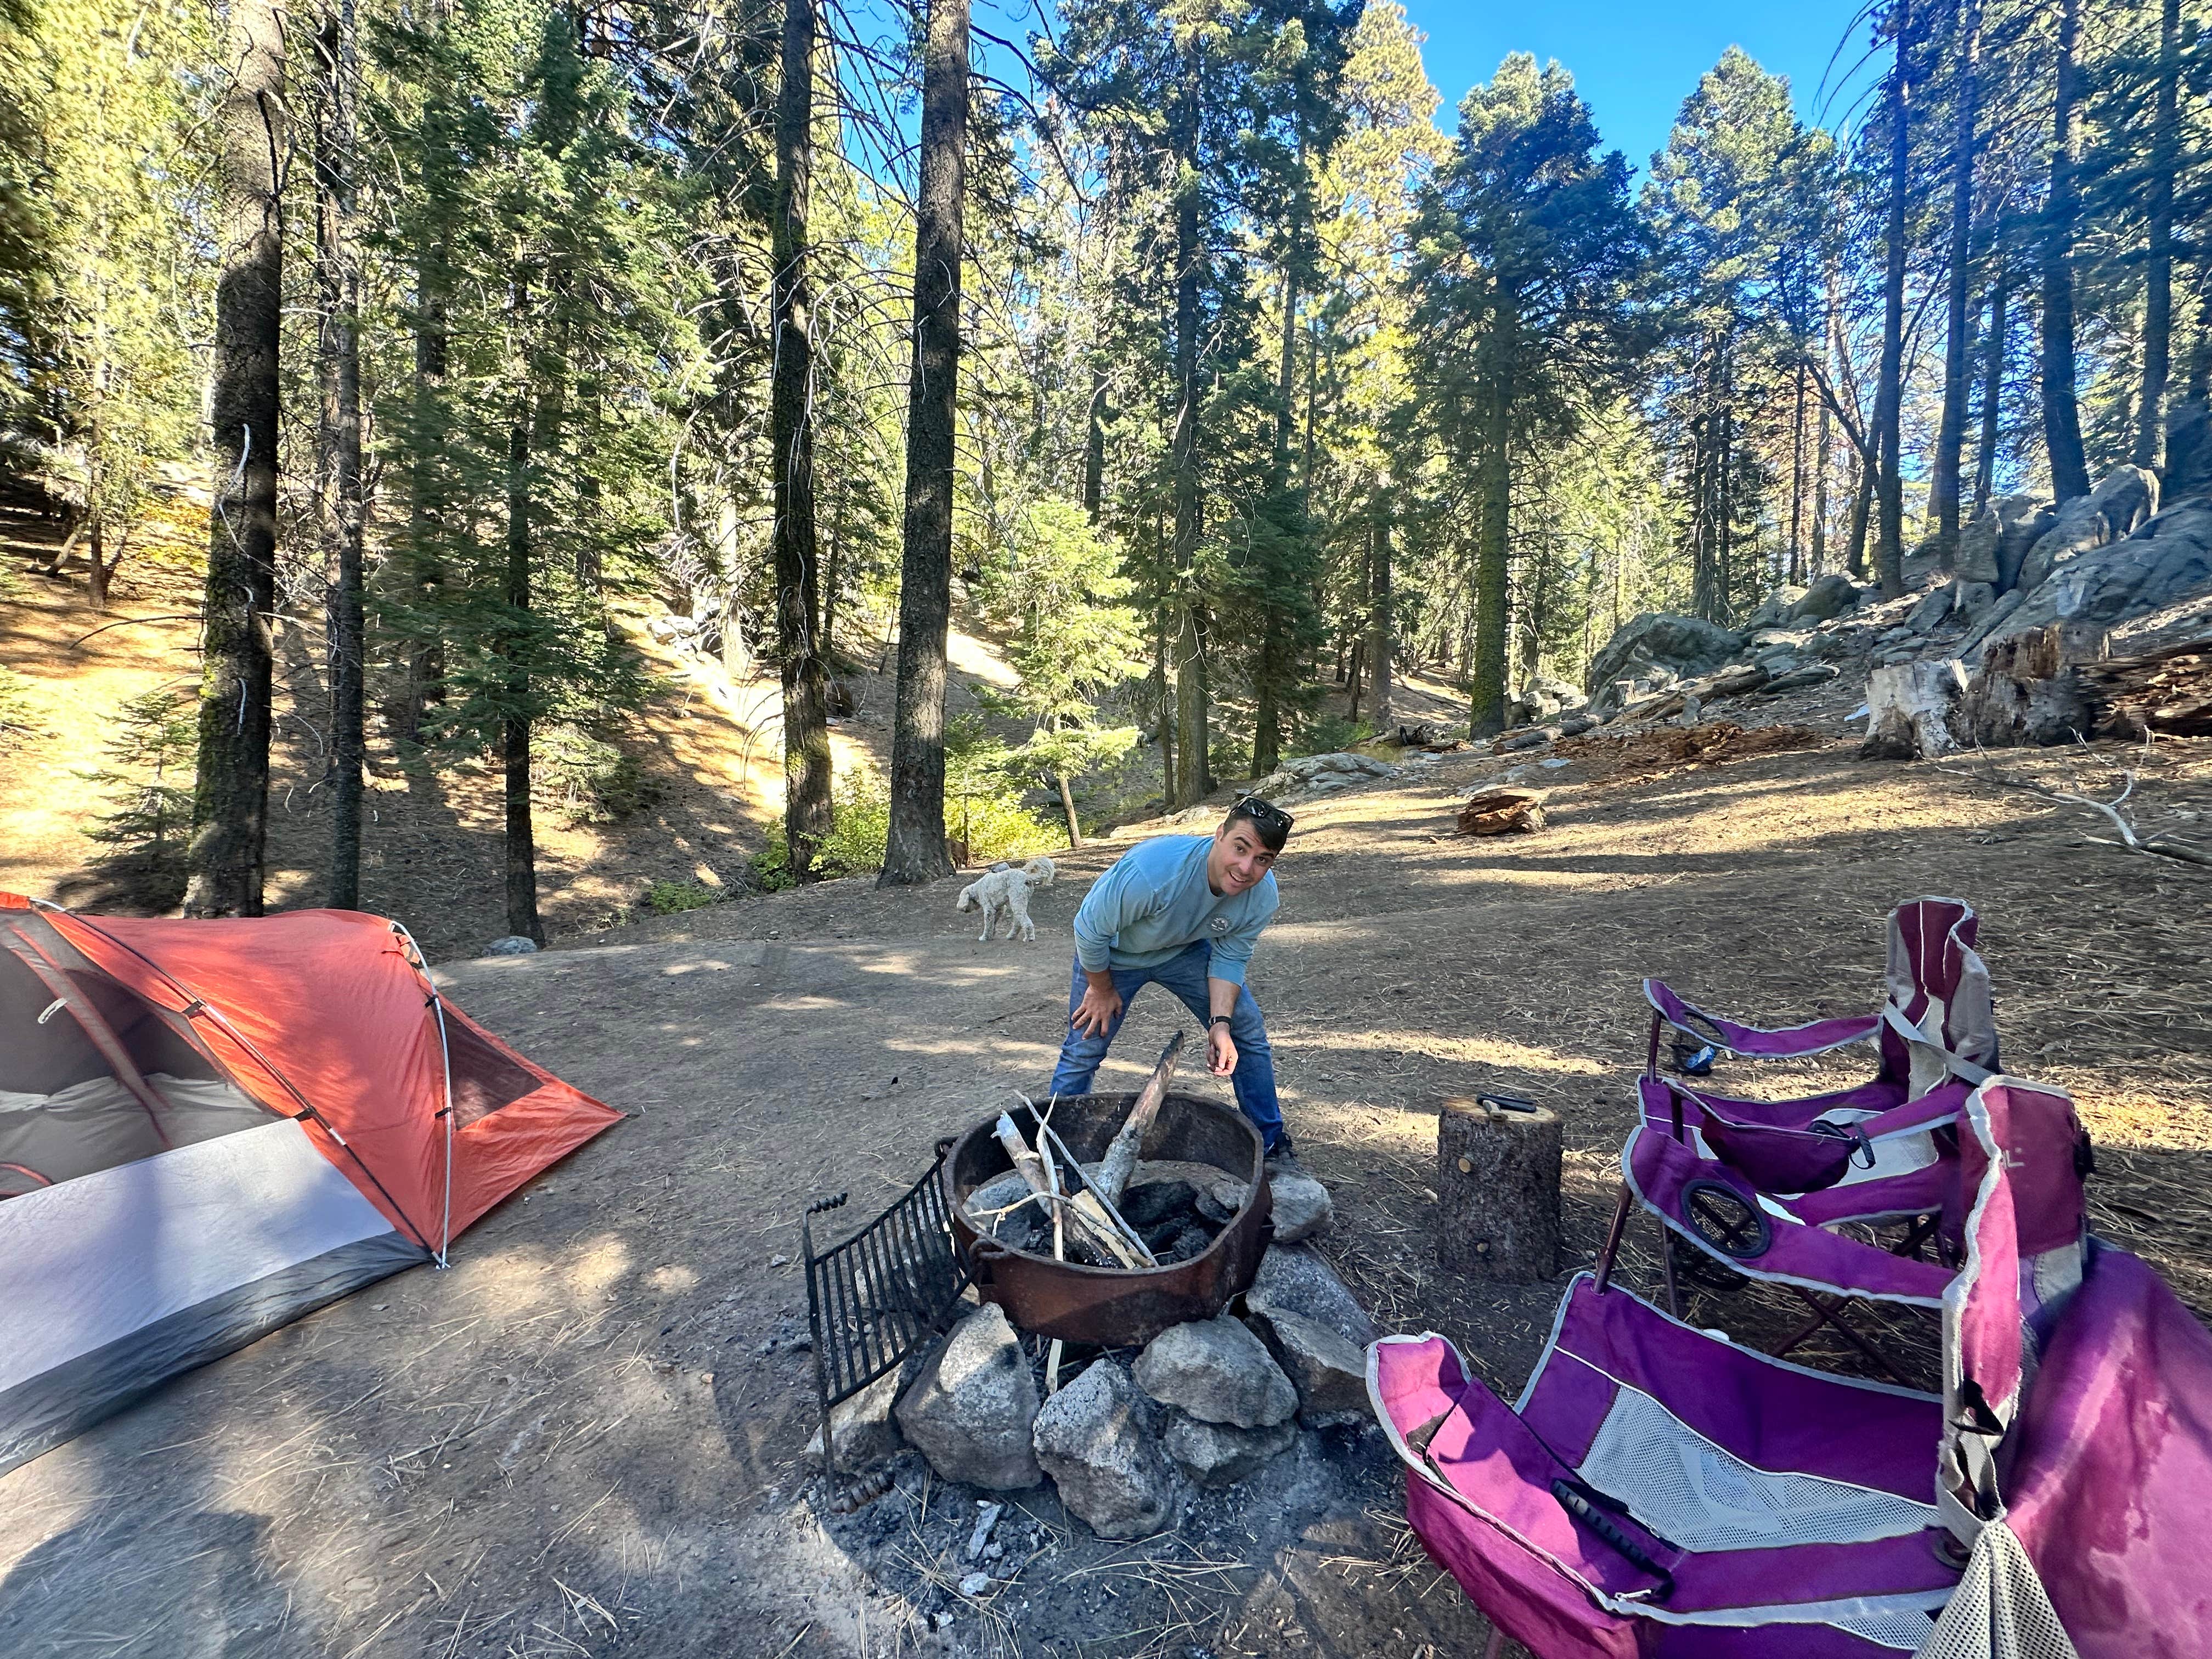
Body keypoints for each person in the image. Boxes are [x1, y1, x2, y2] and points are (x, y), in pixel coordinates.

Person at [1048, 797, 1294, 1156]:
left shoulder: (1261, 896)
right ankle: (1056, 1149)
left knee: (1245, 1029)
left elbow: (1230, 957)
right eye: (1240, 848)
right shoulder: (1155, 872)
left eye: (1262, 859)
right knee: (1085, 1045)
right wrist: (1100, 989)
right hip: (1113, 956)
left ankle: (1269, 1142)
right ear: (1219, 834)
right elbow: (1089, 929)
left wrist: (1220, 1023)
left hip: (1182, 951)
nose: (1246, 868)